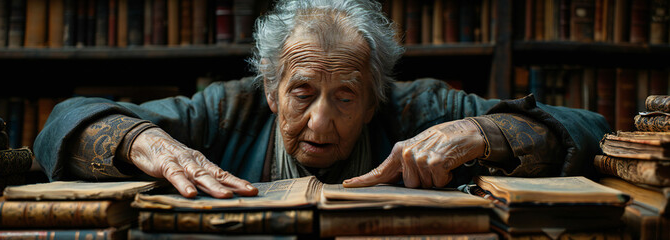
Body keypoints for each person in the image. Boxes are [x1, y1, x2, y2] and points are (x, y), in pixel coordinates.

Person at [34, 0, 610, 199]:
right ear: (270, 88)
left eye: (345, 97)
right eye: (302, 93)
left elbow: (588, 128)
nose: (321, 122)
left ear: (376, 94)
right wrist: (144, 140)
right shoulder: (222, 109)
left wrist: (489, 133)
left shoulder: (420, 109)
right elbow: (66, 120)